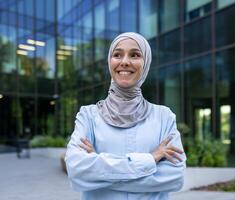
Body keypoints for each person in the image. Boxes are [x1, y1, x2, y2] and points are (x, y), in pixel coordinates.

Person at [65, 32, 186, 200]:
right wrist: (150, 160)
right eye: (117, 55)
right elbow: (77, 170)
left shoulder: (163, 117)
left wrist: (99, 164)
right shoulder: (88, 116)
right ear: (109, 61)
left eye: (135, 55)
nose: (125, 62)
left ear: (146, 63)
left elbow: (175, 178)